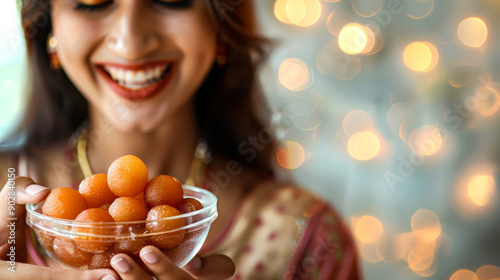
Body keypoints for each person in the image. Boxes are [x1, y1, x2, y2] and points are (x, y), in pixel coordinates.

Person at [0, 0, 361, 279]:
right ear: (50, 26)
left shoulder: (307, 236)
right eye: (93, 1)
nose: (131, 41)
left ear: (221, 22)